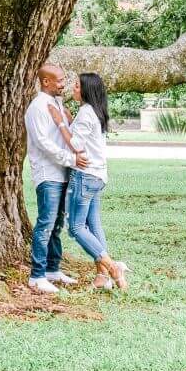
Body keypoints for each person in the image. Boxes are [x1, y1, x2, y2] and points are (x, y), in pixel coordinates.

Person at [24, 65, 86, 294]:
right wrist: (70, 159)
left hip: (62, 171)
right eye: (59, 81)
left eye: (64, 79)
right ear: (45, 82)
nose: (63, 84)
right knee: (46, 224)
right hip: (47, 173)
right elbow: (43, 143)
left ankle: (52, 269)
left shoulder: (58, 104)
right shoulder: (37, 108)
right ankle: (36, 275)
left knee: (58, 224)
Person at [64, 72, 128, 290]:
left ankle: (111, 266)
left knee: (75, 227)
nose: (72, 89)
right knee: (93, 224)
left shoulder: (85, 113)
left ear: (85, 90)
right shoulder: (96, 112)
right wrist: (70, 120)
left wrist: (59, 122)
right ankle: (102, 276)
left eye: (76, 86)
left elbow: (74, 143)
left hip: (84, 175)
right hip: (98, 176)